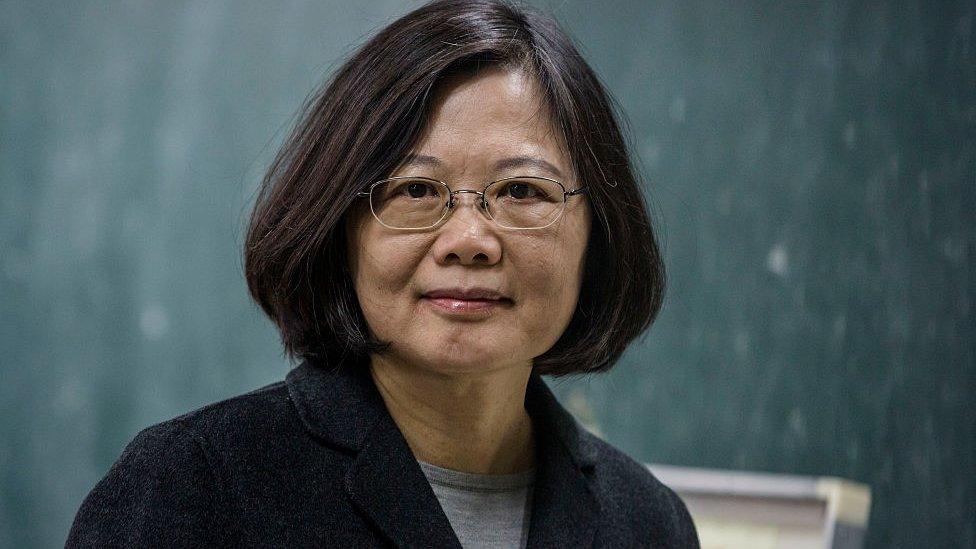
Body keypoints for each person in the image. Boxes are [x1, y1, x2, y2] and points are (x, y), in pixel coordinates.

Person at [66, 0, 699, 547]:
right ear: (342, 225)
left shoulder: (648, 523)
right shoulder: (190, 490)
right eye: (417, 189)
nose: (470, 241)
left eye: (522, 191)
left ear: (599, 231)